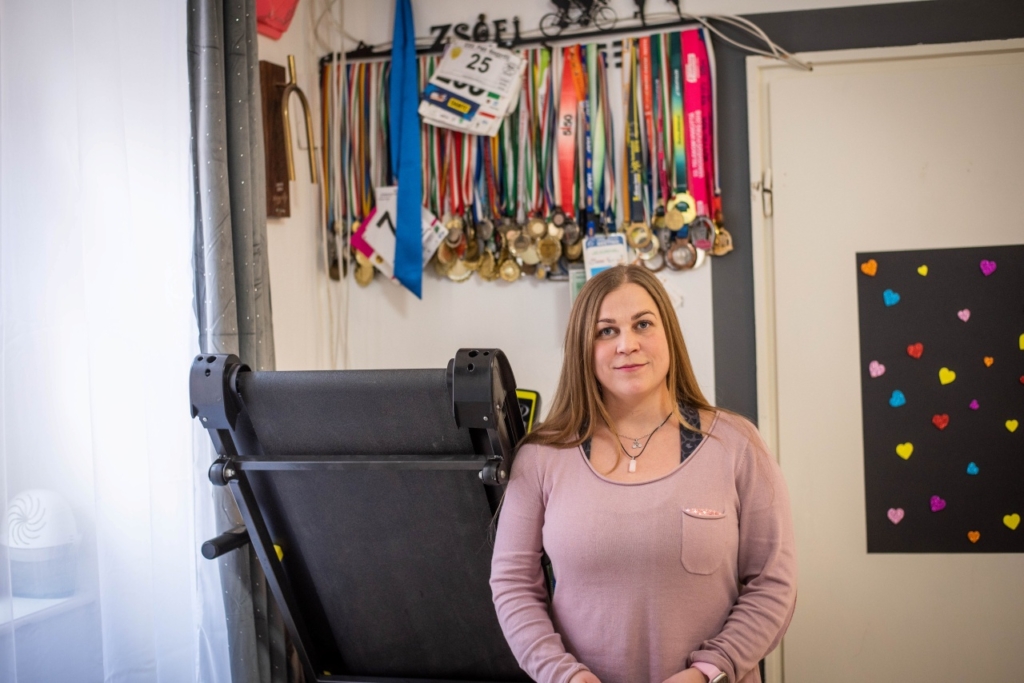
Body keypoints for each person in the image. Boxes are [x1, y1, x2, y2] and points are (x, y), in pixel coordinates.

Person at [490, 265, 797, 683]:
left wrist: (708, 672)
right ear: (584, 348)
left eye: (643, 324)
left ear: (668, 333)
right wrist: (564, 677)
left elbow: (773, 581)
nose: (627, 344)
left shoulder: (737, 444)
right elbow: (513, 586)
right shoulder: (542, 456)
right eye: (606, 331)